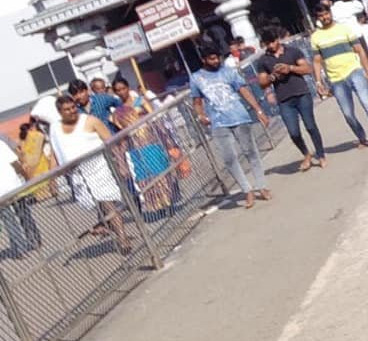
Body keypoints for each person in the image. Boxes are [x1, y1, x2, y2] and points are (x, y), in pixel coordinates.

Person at [190, 45, 272, 208]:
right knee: (229, 158)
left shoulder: (228, 71)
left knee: (251, 152)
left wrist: (258, 110)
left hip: (239, 117)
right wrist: (201, 115)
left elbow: (244, 91)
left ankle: (261, 186)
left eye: (217, 58)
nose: (215, 61)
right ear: (204, 60)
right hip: (218, 122)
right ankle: (246, 190)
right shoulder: (196, 78)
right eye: (211, 59)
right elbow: (197, 101)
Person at [49, 95, 131, 254]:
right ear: (60, 112)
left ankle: (123, 238)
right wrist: (52, 178)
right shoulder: (54, 128)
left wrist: (121, 164)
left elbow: (111, 141)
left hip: (98, 168)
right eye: (67, 109)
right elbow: (54, 153)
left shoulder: (90, 121)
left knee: (107, 203)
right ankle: (108, 225)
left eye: (73, 107)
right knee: (100, 206)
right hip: (77, 175)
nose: (72, 111)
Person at [310, 3, 368, 148]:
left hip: (354, 71)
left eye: (326, 13)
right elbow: (317, 61)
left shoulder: (344, 29)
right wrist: (318, 82)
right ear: (317, 18)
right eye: (321, 16)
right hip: (336, 79)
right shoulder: (316, 37)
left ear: (330, 13)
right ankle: (361, 136)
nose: (325, 17)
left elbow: (360, 50)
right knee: (347, 114)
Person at [257, 26, 326, 172]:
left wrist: (290, 68)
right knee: (293, 132)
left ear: (278, 39)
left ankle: (320, 154)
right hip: (284, 99)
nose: (270, 46)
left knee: (310, 126)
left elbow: (307, 69)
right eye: (267, 43)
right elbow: (262, 82)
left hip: (301, 93)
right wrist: (273, 76)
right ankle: (306, 154)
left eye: (272, 42)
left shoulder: (293, 51)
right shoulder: (263, 60)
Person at [111, 76, 178, 220]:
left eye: (123, 89)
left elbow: (154, 118)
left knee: (159, 171)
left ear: (128, 88)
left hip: (150, 141)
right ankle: (156, 207)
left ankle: (168, 203)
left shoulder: (140, 101)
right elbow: (120, 132)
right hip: (134, 146)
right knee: (144, 177)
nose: (121, 92)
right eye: (118, 90)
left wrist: (167, 140)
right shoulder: (118, 112)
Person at [0, 139, 42, 257]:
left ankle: (20, 249)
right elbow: (15, 163)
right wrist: (26, 178)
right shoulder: (1, 144)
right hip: (13, 185)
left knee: (9, 220)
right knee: (24, 213)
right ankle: (34, 240)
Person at [18, 118, 56, 201]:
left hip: (31, 167)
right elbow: (43, 138)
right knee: (45, 178)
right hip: (41, 163)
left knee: (36, 182)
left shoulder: (22, 141)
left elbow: (21, 154)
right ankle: (51, 193)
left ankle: (40, 197)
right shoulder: (35, 135)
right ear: (30, 128)